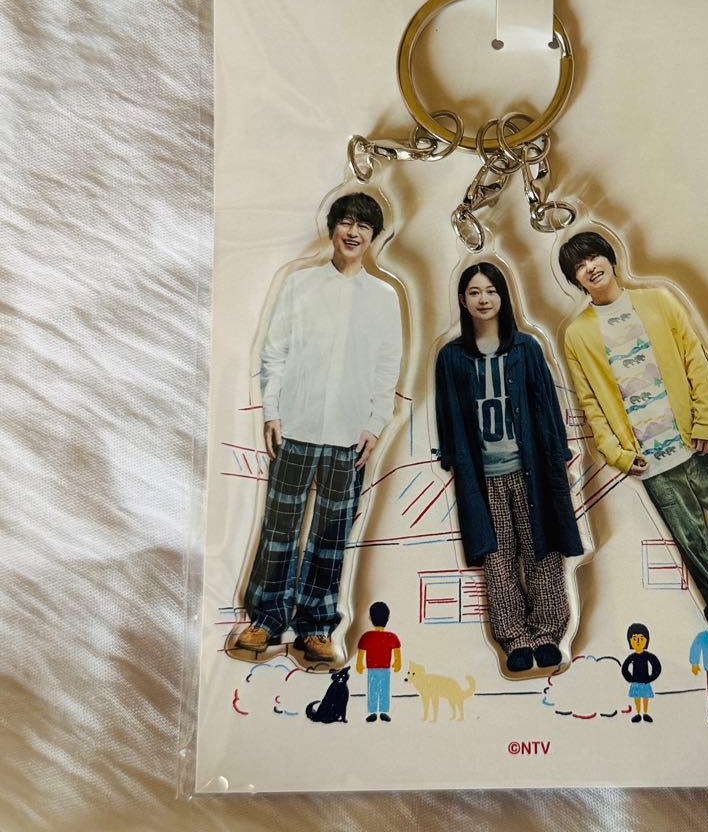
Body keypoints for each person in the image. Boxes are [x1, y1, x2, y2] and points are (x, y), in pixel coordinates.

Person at [558, 230, 708, 658]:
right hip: (650, 463)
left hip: (698, 442)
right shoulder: (578, 334)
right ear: (575, 280)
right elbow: (590, 401)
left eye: (593, 257)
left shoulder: (658, 300)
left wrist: (706, 422)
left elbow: (696, 359)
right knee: (695, 546)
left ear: (610, 258)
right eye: (579, 266)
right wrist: (617, 454)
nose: (590, 268)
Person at [233, 192, 403, 662]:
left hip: (350, 436)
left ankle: (316, 627)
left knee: (331, 535)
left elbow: (387, 366)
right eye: (346, 222)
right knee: (279, 527)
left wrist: (375, 423)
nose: (353, 232)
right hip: (296, 426)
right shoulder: (300, 284)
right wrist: (272, 411)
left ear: (373, 236)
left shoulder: (384, 298)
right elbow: (276, 350)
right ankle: (266, 620)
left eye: (363, 226)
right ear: (332, 228)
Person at [434, 261, 584, 673]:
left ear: (503, 296)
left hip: (531, 470)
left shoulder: (526, 349)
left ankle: (548, 632)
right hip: (483, 478)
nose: (483, 299)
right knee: (496, 556)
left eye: (491, 291)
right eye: (474, 292)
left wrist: (558, 453)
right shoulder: (451, 358)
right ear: (462, 300)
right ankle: (514, 636)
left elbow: (546, 404)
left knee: (542, 547)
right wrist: (453, 460)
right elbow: (447, 414)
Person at [356, 600, 402, 722]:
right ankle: (381, 711)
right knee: (383, 689)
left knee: (373, 689)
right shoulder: (391, 637)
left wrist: (359, 664)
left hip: (374, 668)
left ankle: (376, 712)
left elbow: (361, 652)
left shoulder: (367, 636)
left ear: (370, 618)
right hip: (384, 668)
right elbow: (397, 651)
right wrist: (397, 662)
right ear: (388, 618)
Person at [621, 622, 662, 723]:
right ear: (630, 641)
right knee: (637, 698)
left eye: (641, 638)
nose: (638, 641)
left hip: (645, 681)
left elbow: (656, 665)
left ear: (646, 640)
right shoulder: (632, 657)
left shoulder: (648, 656)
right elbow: (624, 668)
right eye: (635, 639)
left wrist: (651, 677)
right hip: (635, 682)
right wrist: (630, 678)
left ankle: (645, 713)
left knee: (645, 697)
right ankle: (638, 713)